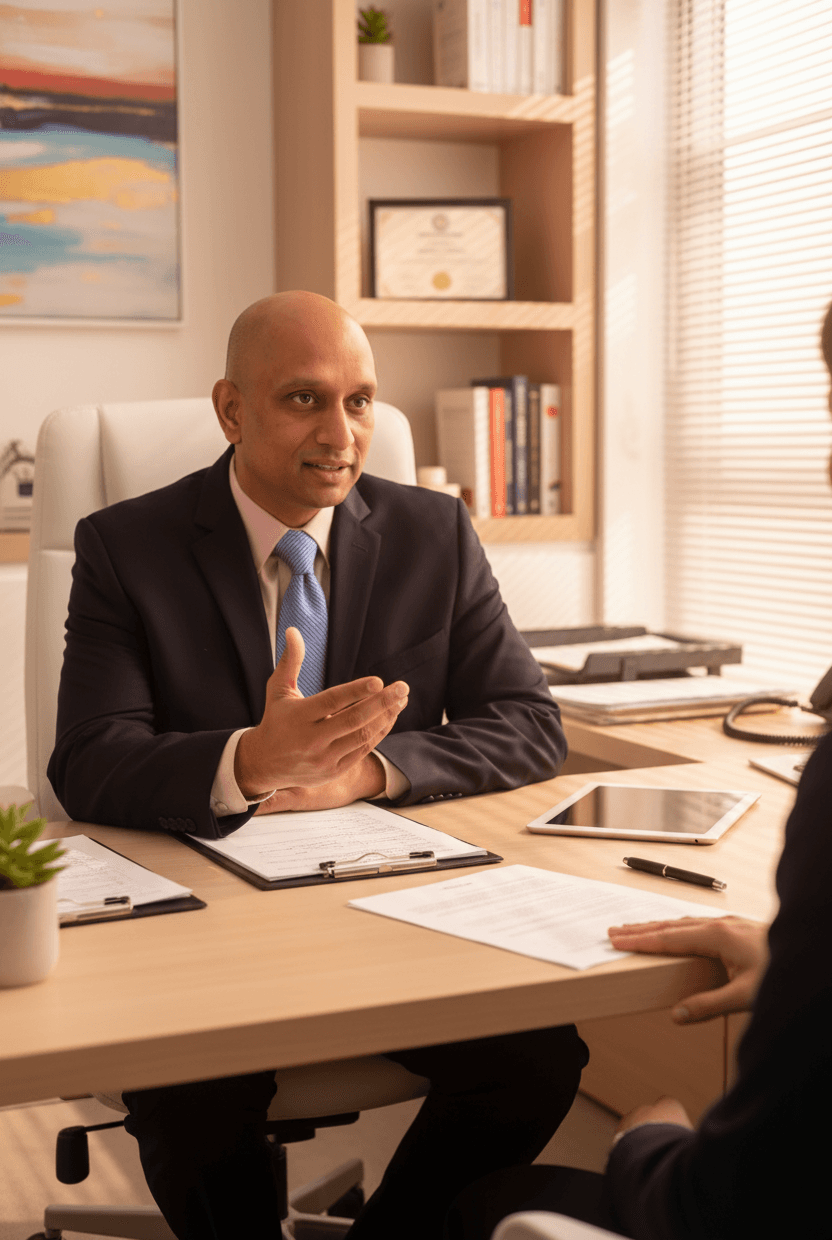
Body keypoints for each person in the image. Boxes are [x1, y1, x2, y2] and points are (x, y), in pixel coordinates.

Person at [47, 291, 587, 1240]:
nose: (342, 433)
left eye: (361, 401)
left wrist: (368, 775)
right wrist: (247, 762)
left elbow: (528, 722)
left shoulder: (434, 532)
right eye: (304, 399)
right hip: (206, 922)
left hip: (390, 903)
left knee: (537, 1059)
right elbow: (90, 762)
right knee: (194, 1092)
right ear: (231, 410)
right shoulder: (127, 546)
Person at [444, 300, 832, 1240]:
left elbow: (738, 1203)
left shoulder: (428, 530)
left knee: (490, 1202)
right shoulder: (129, 544)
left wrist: (642, 1140)